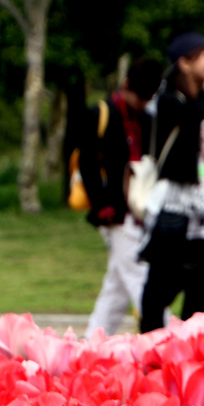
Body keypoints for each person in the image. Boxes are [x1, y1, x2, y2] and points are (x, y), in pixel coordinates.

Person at [138, 31, 204, 333]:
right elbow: (193, 118)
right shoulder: (168, 99)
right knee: (162, 285)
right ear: (184, 63)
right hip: (176, 205)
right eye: (203, 56)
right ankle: (150, 343)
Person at [80, 57, 162, 338]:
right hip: (113, 211)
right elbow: (87, 164)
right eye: (139, 96)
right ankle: (164, 336)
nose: (142, 102)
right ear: (127, 86)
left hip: (140, 207)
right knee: (138, 275)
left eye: (147, 97)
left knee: (115, 287)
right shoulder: (102, 113)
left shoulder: (148, 118)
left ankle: (93, 344)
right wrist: (100, 205)